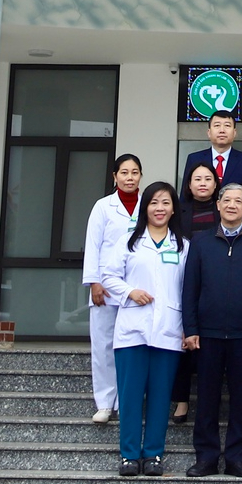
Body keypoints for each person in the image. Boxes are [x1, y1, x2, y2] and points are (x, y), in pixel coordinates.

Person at [179, 182, 242, 478]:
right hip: (207, 334)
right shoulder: (201, 242)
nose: (232, 205)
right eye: (226, 200)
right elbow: (190, 289)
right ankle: (206, 457)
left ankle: (236, 457)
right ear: (218, 205)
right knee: (206, 398)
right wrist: (190, 328)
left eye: (238, 201)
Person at [105, 181, 187, 477]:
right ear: (145, 207)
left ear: (174, 208)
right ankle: (129, 455)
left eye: (166, 203)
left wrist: (187, 328)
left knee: (160, 397)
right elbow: (108, 276)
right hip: (132, 331)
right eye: (154, 203)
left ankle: (153, 454)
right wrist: (130, 292)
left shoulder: (183, 246)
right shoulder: (129, 241)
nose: (159, 208)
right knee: (130, 397)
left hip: (168, 330)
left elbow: (187, 289)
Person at [81, 153, 141, 427]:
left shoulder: (148, 204)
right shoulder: (103, 206)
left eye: (134, 172)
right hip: (105, 287)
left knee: (132, 347)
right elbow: (93, 245)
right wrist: (94, 281)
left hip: (136, 288)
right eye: (124, 173)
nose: (129, 178)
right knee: (104, 346)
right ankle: (105, 403)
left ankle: (127, 401)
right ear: (115, 176)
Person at [171, 163, 221, 419]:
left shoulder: (223, 209)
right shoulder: (177, 212)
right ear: (188, 185)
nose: (202, 183)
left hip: (216, 283)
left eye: (208, 179)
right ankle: (181, 400)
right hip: (184, 278)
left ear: (216, 184)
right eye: (197, 179)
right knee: (184, 343)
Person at [184, 110, 242, 192]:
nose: (222, 130)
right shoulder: (194, 159)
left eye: (227, 125)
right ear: (209, 132)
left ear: (234, 133)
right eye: (217, 125)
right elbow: (185, 193)